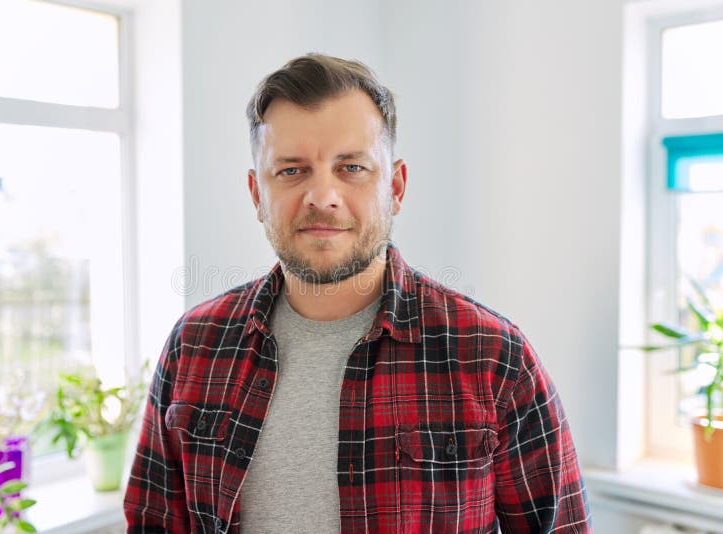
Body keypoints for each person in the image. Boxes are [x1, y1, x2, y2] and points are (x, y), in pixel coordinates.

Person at [124, 53, 592, 533]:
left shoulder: (495, 358)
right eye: (291, 171)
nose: (322, 195)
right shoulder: (194, 347)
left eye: (351, 167)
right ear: (256, 195)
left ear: (395, 187)